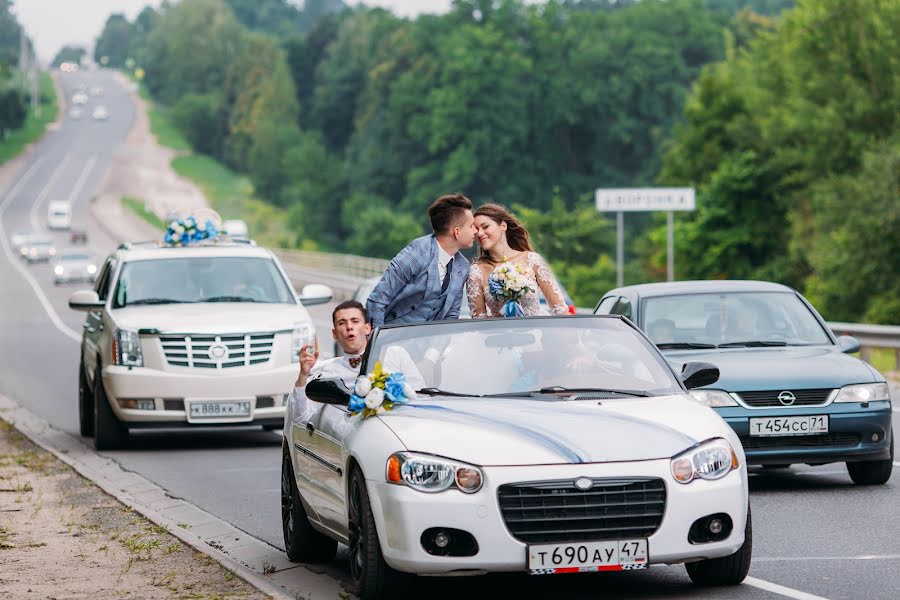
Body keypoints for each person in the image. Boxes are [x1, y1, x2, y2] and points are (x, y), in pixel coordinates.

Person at [287, 301, 425, 424]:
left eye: (355, 321)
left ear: (367, 328)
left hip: (403, 424)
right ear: (334, 334)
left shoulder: (395, 354)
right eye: (342, 323)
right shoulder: (330, 373)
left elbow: (420, 394)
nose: (349, 327)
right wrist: (303, 375)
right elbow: (301, 417)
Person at [366, 193, 477, 328]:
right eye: (471, 226)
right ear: (457, 231)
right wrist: (379, 343)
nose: (476, 231)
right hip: (392, 339)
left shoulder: (462, 266)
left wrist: (436, 348)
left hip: (427, 344)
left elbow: (451, 316)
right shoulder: (417, 252)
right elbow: (377, 300)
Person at [466, 204, 568, 318]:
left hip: (535, 332)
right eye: (476, 230)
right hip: (499, 334)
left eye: (485, 227)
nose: (479, 233)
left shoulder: (532, 260)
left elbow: (560, 309)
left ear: (503, 226)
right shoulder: (476, 272)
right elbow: (479, 320)